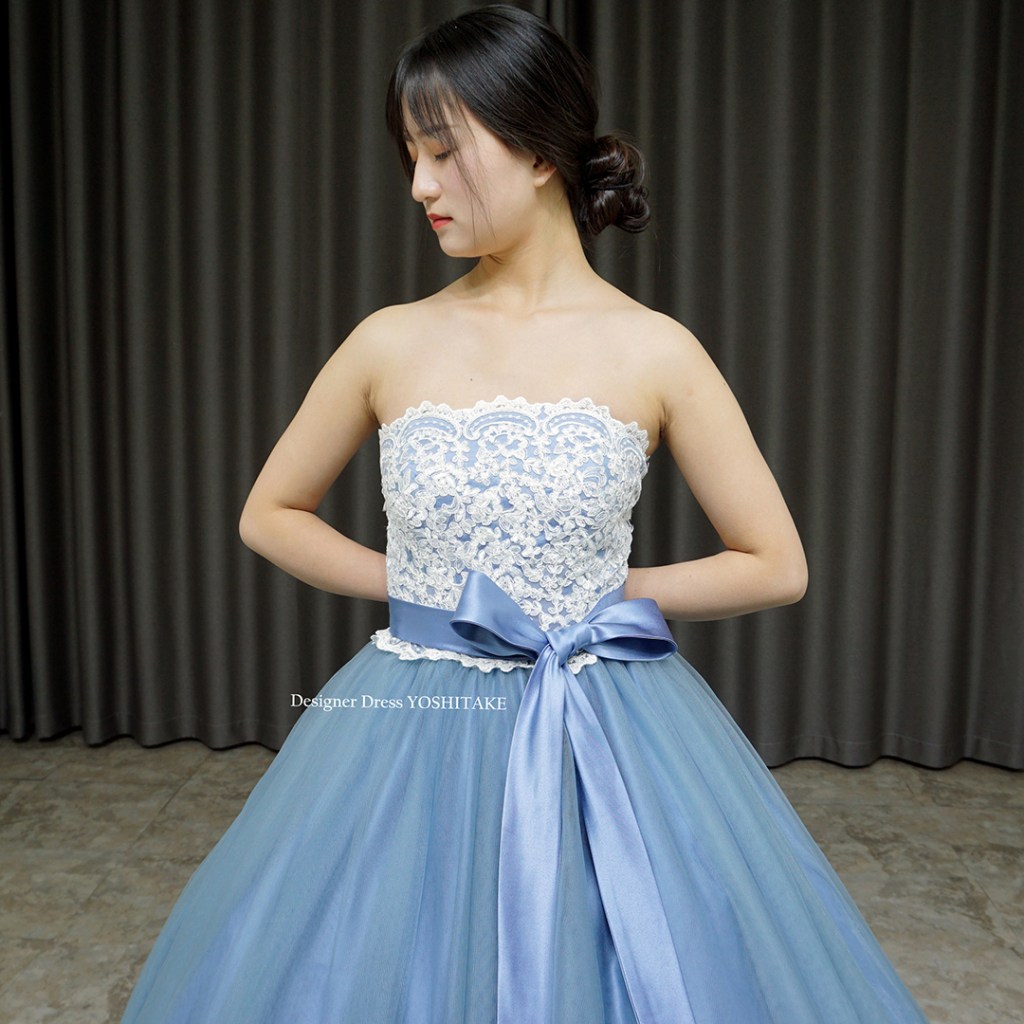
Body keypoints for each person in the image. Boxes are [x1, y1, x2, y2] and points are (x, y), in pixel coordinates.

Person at [121, 6, 930, 1022]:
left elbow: (775, 563)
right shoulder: (388, 341)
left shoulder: (655, 351)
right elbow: (269, 513)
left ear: (540, 151)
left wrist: (603, 594)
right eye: (412, 156)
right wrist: (424, 586)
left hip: (605, 720)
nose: (419, 186)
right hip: (416, 725)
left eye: (443, 151)